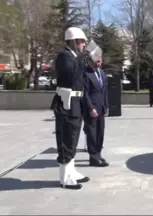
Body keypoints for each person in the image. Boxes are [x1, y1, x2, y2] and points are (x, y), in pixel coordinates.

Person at [50, 27, 90, 190]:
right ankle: (65, 178)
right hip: (67, 102)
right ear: (73, 42)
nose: (83, 45)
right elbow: (71, 74)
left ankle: (71, 171)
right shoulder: (64, 56)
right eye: (81, 41)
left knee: (73, 137)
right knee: (66, 138)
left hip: (76, 101)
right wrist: (83, 59)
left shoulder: (75, 57)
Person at [82, 47, 109, 167]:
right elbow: (84, 93)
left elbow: (104, 91)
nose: (99, 60)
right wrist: (90, 108)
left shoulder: (101, 73)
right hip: (91, 109)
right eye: (97, 58)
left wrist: (106, 106)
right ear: (91, 60)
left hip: (101, 108)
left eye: (100, 58)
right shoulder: (86, 73)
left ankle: (98, 154)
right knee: (92, 133)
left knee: (100, 133)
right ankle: (93, 158)